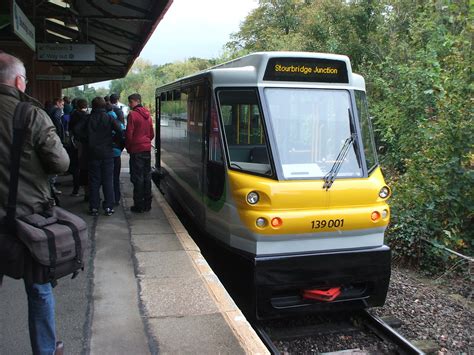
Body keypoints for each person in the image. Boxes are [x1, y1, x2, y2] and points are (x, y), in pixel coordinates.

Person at [0, 52, 69, 354]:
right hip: (26, 219)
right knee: (39, 288)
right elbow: (60, 163)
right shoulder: (28, 115)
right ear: (18, 81)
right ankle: (45, 350)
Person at [85, 97, 123, 216]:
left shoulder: (88, 118)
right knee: (108, 180)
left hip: (92, 153)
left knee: (94, 181)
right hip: (107, 153)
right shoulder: (109, 117)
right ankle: (108, 207)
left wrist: (87, 141)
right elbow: (120, 131)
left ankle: (94, 207)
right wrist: (113, 142)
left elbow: (76, 130)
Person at [125, 93, 154, 213]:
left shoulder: (132, 115)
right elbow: (152, 134)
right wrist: (146, 142)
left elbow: (129, 134)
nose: (129, 105)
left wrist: (129, 148)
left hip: (136, 150)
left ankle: (139, 205)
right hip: (146, 149)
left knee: (138, 178)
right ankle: (148, 204)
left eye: (130, 102)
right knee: (147, 177)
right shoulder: (148, 115)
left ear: (136, 101)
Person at [106, 103, 126, 205]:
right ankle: (116, 198)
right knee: (115, 177)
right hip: (116, 153)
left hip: (106, 153)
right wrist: (119, 149)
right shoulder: (119, 122)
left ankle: (109, 200)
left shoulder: (104, 121)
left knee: (107, 178)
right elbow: (123, 138)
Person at [69, 98, 89, 197]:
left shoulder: (73, 115)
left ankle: (75, 189)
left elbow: (70, 128)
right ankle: (86, 191)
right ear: (86, 106)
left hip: (73, 142)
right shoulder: (86, 116)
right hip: (83, 144)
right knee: (84, 167)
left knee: (75, 166)